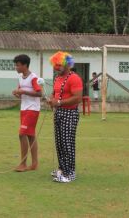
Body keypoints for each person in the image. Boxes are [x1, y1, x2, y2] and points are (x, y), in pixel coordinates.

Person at [48, 51, 83, 183]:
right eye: (54, 65)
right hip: (58, 113)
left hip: (69, 113)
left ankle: (70, 174)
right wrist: (51, 100)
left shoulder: (74, 78)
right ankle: (62, 169)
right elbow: (54, 93)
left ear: (67, 65)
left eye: (58, 65)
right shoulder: (57, 78)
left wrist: (59, 102)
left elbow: (77, 98)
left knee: (67, 143)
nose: (56, 68)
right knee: (60, 143)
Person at [12, 54, 42, 172]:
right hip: (24, 108)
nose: (16, 67)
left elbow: (39, 93)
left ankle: (23, 163)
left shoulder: (33, 78)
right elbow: (20, 92)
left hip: (32, 109)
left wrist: (24, 91)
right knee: (30, 135)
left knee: (22, 134)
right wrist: (17, 93)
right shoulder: (20, 77)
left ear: (25, 65)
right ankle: (34, 163)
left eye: (18, 65)